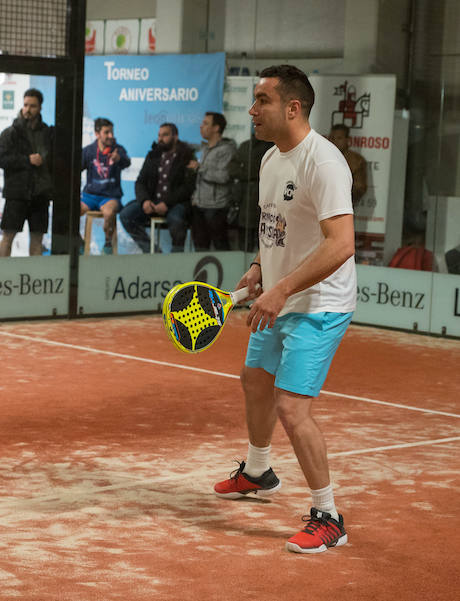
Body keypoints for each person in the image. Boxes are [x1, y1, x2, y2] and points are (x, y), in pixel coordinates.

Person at [212, 65, 357, 555]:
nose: (251, 110)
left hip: (319, 304)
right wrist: (258, 268)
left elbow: (342, 245)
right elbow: (273, 227)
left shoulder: (325, 163)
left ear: (292, 108)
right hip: (279, 297)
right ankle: (258, 471)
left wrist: (282, 289)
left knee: (293, 408)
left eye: (261, 100)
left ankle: (328, 515)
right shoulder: (271, 159)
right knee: (255, 380)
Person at [0, 88, 54, 257]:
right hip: (17, 194)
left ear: (40, 107)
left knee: (37, 240)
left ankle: (34, 280)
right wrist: (27, 160)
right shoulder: (10, 133)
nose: (27, 109)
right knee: (7, 237)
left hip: (39, 195)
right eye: (25, 105)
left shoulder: (48, 133)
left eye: (32, 106)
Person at [119, 123, 195, 253]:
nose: (160, 139)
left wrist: (167, 203)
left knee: (177, 221)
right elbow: (140, 182)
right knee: (126, 215)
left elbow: (188, 188)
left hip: (175, 203)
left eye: (165, 135)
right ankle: (151, 251)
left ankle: (176, 257)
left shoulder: (186, 156)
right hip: (152, 201)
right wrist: (144, 201)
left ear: (175, 137)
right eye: (159, 135)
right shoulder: (152, 156)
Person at [189, 112, 237, 251]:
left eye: (205, 123)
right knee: (200, 248)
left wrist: (200, 168)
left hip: (216, 208)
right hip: (199, 205)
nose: (201, 126)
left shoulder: (227, 150)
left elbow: (224, 176)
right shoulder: (205, 149)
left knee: (220, 247)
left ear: (216, 128)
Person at [81, 118, 130, 254]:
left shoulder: (118, 149)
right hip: (89, 197)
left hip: (110, 197)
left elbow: (127, 162)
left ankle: (107, 244)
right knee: (69, 211)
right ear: (97, 134)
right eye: (107, 132)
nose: (111, 136)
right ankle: (78, 241)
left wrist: (119, 159)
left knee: (108, 213)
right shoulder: (89, 151)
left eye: (112, 132)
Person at [229, 129, 275, 252]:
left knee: (264, 238)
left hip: (266, 195)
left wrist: (249, 172)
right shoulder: (246, 146)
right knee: (246, 236)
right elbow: (232, 168)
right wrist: (248, 174)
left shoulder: (274, 146)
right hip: (245, 197)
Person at [328, 124, 368, 206]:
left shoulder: (357, 161)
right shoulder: (321, 156)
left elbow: (359, 188)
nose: (334, 141)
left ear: (347, 140)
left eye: (339, 138)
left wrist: (338, 192)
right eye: (332, 138)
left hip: (343, 207)